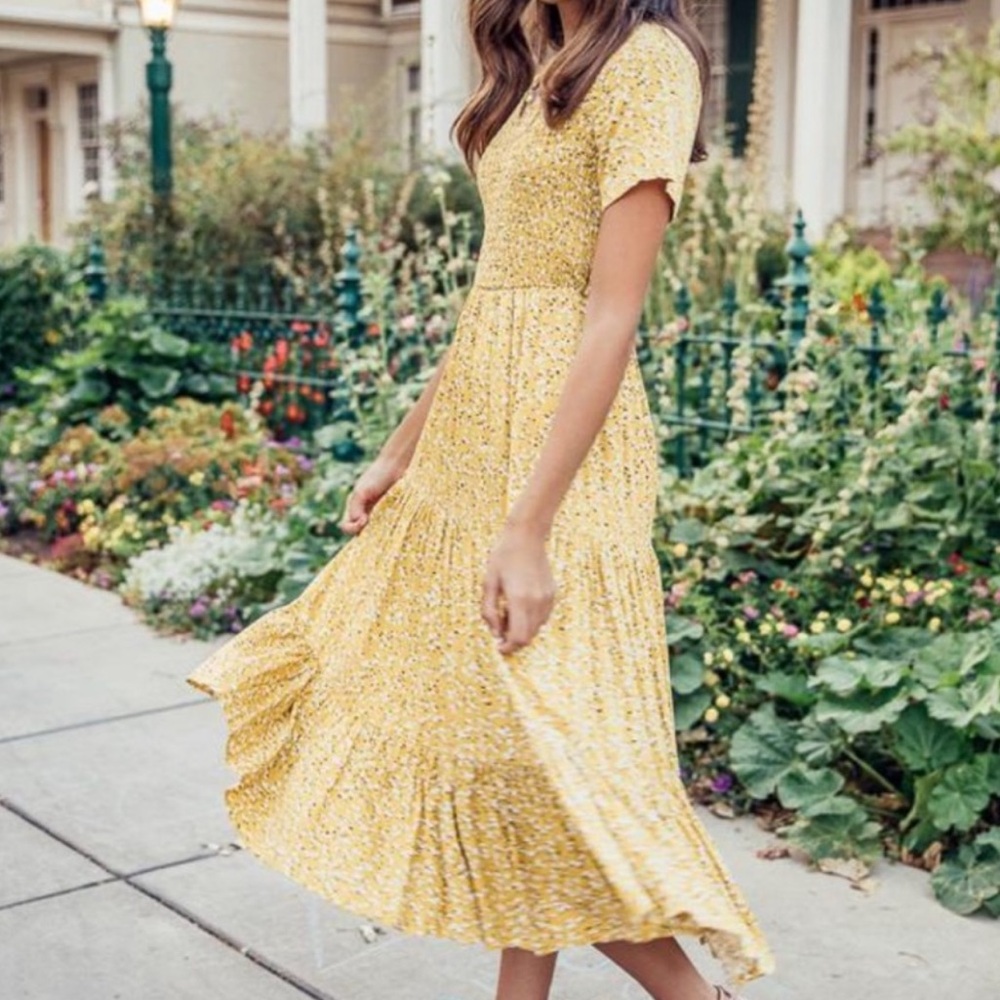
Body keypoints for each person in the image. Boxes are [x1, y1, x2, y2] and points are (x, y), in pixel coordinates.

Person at [186, 1, 776, 998]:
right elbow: (494, 300)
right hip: (470, 439)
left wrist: (529, 526)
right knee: (505, 746)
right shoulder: (539, 63)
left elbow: (610, 316)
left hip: (564, 456)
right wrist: (400, 450)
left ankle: (689, 993)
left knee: (547, 752)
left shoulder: (646, 61)